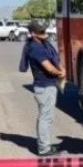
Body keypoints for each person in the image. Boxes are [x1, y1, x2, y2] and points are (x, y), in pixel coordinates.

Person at [19, 20, 65, 157]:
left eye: (44, 30)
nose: (44, 33)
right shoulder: (35, 48)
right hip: (44, 87)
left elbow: (54, 60)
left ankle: (45, 144)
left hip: (46, 86)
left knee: (47, 117)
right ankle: (44, 149)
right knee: (45, 118)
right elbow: (49, 68)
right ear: (33, 34)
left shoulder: (42, 44)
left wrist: (60, 69)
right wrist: (60, 73)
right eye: (41, 31)